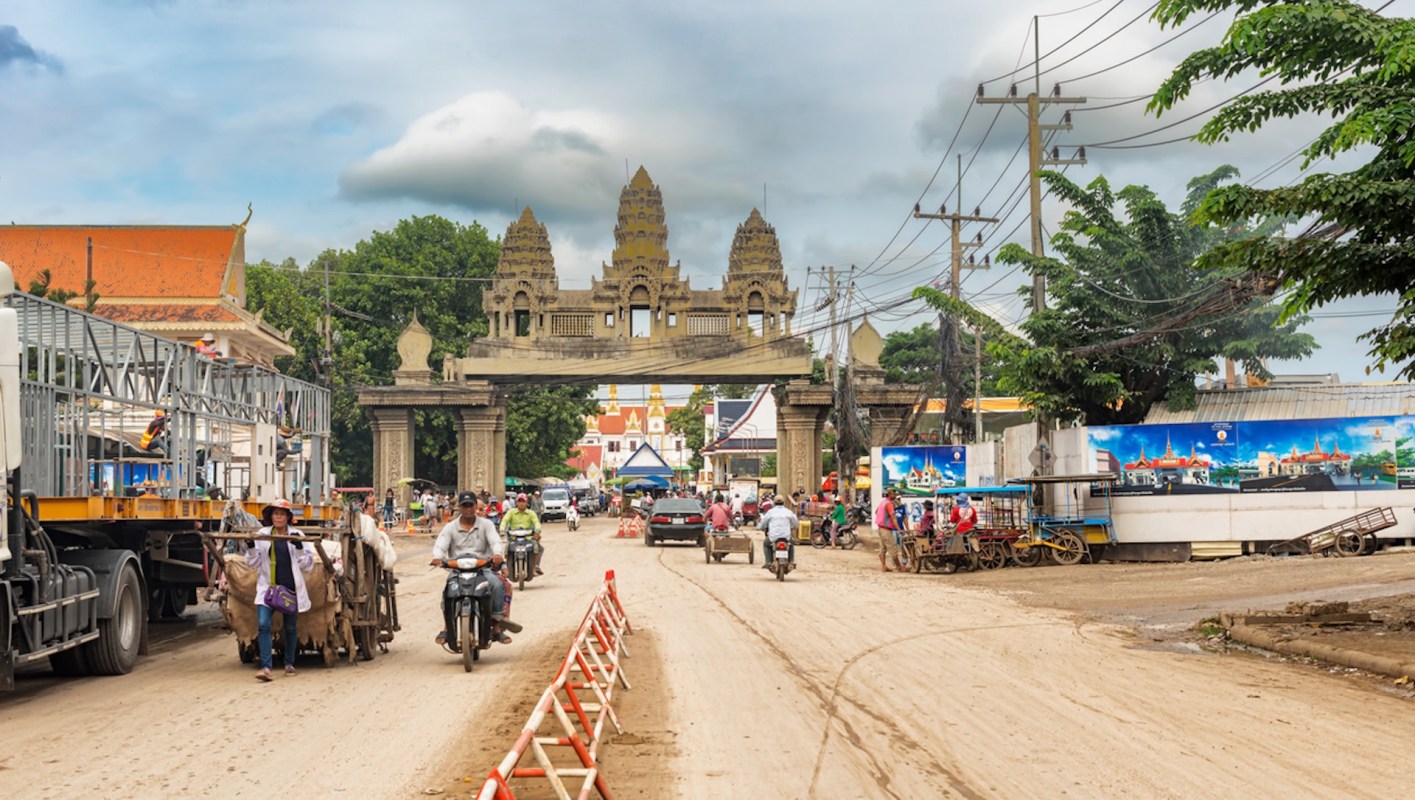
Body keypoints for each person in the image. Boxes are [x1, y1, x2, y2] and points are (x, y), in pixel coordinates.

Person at [431, 492, 522, 650]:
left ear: (475, 506)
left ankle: (496, 626)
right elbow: (441, 544)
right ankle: (447, 627)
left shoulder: (486, 525)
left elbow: (495, 542)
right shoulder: (450, 527)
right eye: (464, 505)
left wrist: (497, 554)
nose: (468, 509)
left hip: (481, 569)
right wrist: (437, 557)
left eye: (470, 505)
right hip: (457, 570)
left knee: (496, 584)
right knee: (448, 591)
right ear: (459, 507)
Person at [244, 499, 314, 682]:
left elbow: (307, 565)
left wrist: (299, 548)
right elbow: (252, 562)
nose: (279, 517)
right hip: (268, 589)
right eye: (276, 514)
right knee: (263, 624)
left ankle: (289, 663)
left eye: (282, 514)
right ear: (271, 516)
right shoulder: (262, 535)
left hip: (290, 589)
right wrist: (251, 548)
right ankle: (266, 667)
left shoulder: (298, 535)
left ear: (288, 517)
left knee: (290, 627)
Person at [500, 492, 544, 576]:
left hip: (528, 538)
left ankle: (534, 567)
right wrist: (502, 530)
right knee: (506, 548)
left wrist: (537, 530)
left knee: (536, 547)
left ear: (526, 503)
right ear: (516, 503)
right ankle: (507, 567)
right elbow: (504, 521)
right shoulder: (511, 512)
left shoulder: (531, 513)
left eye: (523, 501)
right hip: (514, 538)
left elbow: (536, 523)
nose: (521, 503)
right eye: (519, 501)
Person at [760, 494, 799, 568]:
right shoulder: (788, 512)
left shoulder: (770, 512)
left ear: (774, 503)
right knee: (791, 545)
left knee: (766, 544)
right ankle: (791, 561)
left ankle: (768, 562)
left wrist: (762, 527)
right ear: (783, 502)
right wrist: (794, 527)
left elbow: (763, 523)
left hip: (773, 537)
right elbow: (796, 523)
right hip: (786, 537)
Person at [874, 488, 903, 573]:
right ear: (889, 494)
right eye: (894, 494)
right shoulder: (889, 504)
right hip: (886, 530)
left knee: (882, 548)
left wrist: (882, 518)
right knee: (892, 548)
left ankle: (883, 566)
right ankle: (899, 567)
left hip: (880, 528)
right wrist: (899, 529)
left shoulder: (883, 502)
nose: (895, 495)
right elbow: (893, 518)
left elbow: (876, 511)